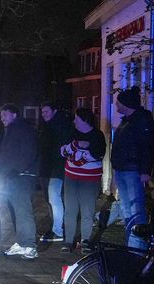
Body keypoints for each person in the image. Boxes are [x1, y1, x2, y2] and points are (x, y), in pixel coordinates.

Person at [0, 103, 40, 260]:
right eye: (1, 116)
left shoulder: (23, 129)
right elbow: (6, 154)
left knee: (23, 210)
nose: (2, 118)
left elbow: (29, 152)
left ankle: (30, 246)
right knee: (16, 210)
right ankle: (21, 242)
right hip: (14, 176)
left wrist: (17, 170)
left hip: (24, 175)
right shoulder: (11, 130)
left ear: (14, 114)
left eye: (5, 115)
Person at [110, 86, 153, 249]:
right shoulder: (127, 120)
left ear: (126, 104)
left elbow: (147, 146)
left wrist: (145, 171)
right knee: (127, 209)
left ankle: (138, 247)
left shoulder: (141, 120)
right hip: (123, 169)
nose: (116, 105)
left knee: (136, 209)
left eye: (118, 102)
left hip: (133, 170)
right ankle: (131, 244)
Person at [60, 108, 106, 253]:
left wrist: (84, 151)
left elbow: (99, 155)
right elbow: (63, 151)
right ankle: (68, 241)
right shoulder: (71, 133)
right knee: (70, 209)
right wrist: (76, 145)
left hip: (90, 179)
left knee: (87, 210)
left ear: (84, 119)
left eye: (76, 118)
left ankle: (85, 241)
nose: (74, 121)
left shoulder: (97, 135)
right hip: (71, 177)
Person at [37, 103, 73, 243]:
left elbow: (58, 148)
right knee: (51, 198)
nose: (43, 114)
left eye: (46, 111)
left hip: (56, 168)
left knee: (54, 197)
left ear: (54, 111)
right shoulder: (48, 126)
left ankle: (58, 230)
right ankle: (56, 226)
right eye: (42, 112)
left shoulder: (59, 126)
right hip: (48, 168)